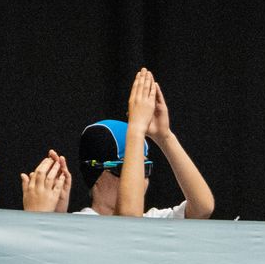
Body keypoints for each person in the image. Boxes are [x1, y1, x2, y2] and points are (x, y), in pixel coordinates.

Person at [75, 68, 216, 218]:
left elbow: (203, 208)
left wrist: (165, 137)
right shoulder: (79, 222)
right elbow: (128, 221)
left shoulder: (151, 219)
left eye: (145, 168)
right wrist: (136, 129)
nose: (139, 176)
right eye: (124, 167)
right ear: (95, 175)